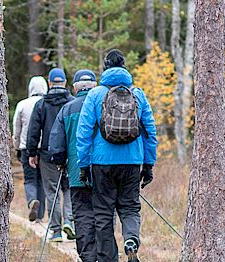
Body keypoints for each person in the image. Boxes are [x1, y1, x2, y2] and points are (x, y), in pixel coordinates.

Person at [75, 50, 158, 261]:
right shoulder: (137, 93)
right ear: (124, 67)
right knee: (130, 207)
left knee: (103, 213)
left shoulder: (95, 94)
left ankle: (107, 259)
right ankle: (131, 240)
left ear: (105, 68)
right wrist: (148, 164)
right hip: (132, 161)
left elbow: (84, 132)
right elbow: (149, 130)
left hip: (102, 163)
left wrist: (83, 166)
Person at [48, 69, 98, 261]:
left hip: (77, 174)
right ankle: (105, 253)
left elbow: (56, 144)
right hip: (104, 171)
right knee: (103, 213)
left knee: (83, 215)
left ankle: (87, 256)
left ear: (75, 88)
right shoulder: (103, 105)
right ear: (94, 86)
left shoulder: (68, 109)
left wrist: (61, 163)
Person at [27, 68, 75, 242]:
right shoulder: (72, 102)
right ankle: (69, 220)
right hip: (70, 155)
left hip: (47, 155)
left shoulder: (41, 104)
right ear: (64, 83)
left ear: (49, 83)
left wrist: (32, 152)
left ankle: (55, 231)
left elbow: (34, 130)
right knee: (69, 189)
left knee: (51, 192)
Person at [12, 76, 48, 222]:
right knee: (42, 181)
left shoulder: (22, 104)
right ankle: (39, 216)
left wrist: (16, 147)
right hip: (45, 149)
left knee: (30, 179)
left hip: (27, 148)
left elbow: (17, 128)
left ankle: (32, 200)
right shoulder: (47, 104)